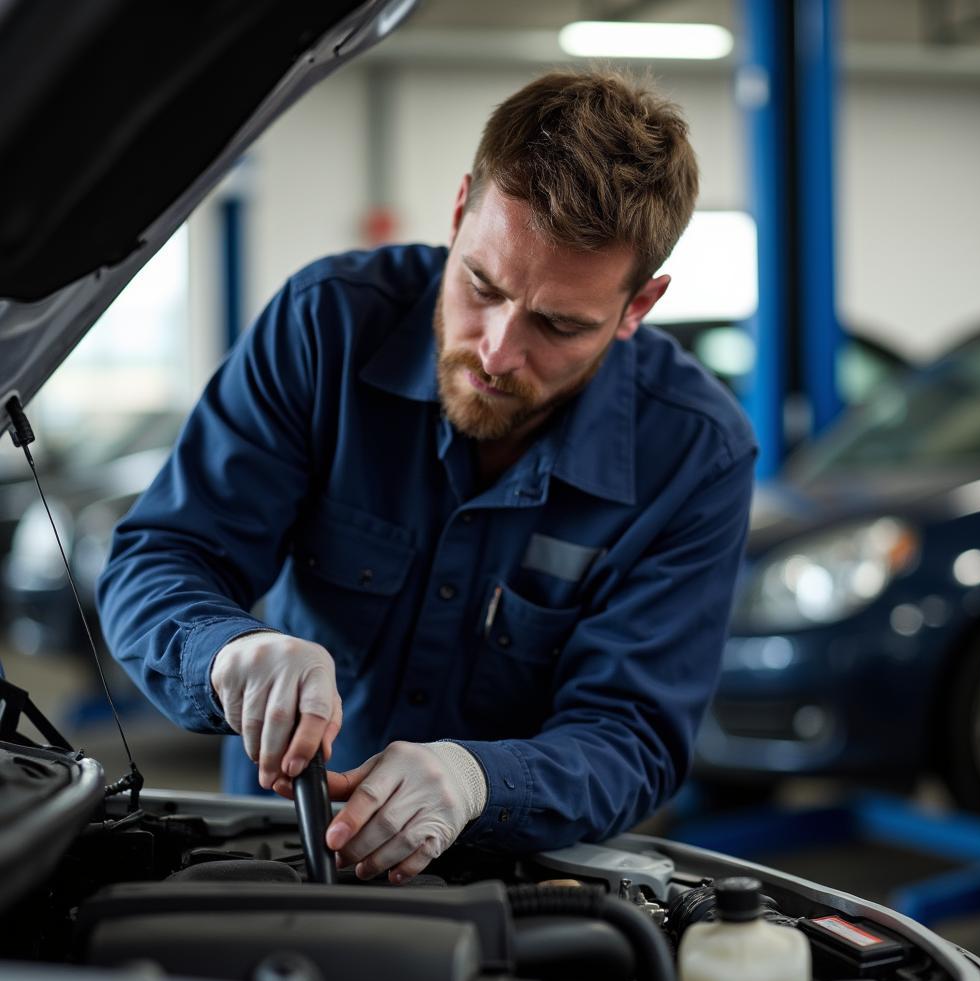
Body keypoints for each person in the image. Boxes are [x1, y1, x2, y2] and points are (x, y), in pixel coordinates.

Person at [97, 69, 756, 884]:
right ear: (457, 214)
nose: (497, 351)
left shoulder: (694, 456)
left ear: (637, 307)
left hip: (508, 888)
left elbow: (634, 735)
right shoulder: (326, 327)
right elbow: (161, 556)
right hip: (272, 852)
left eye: (558, 325)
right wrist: (229, 650)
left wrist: (483, 782)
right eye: (481, 285)